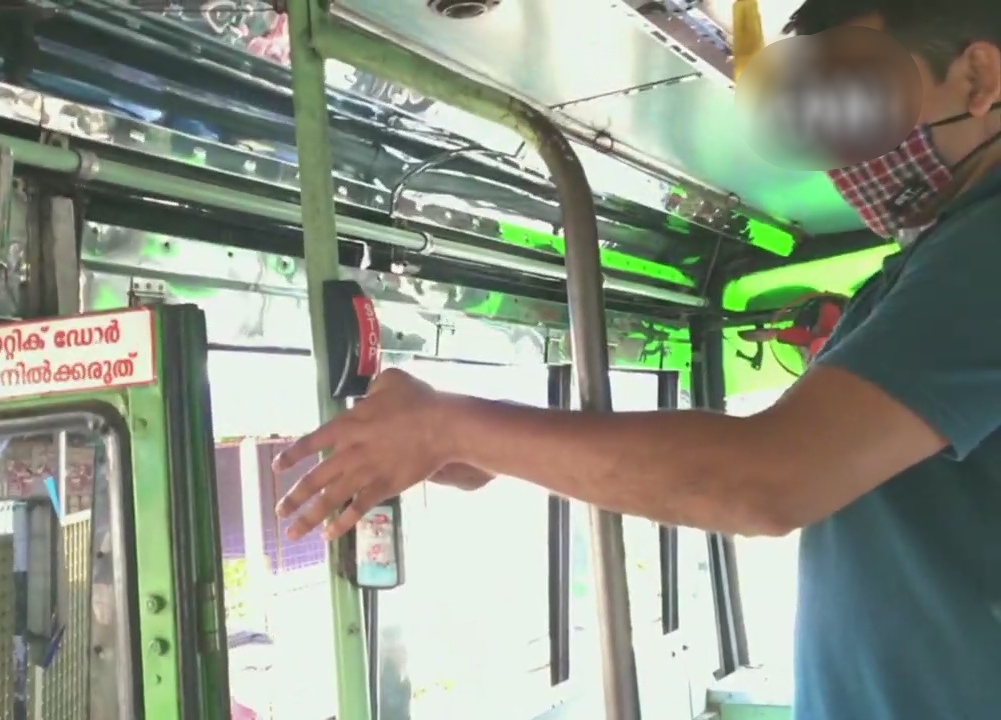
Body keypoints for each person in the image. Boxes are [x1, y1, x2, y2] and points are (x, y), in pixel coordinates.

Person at [271, 1, 1001, 718]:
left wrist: (451, 428)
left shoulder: (985, 249)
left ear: (978, 77)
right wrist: (505, 445)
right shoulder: (923, 266)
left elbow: (770, 476)